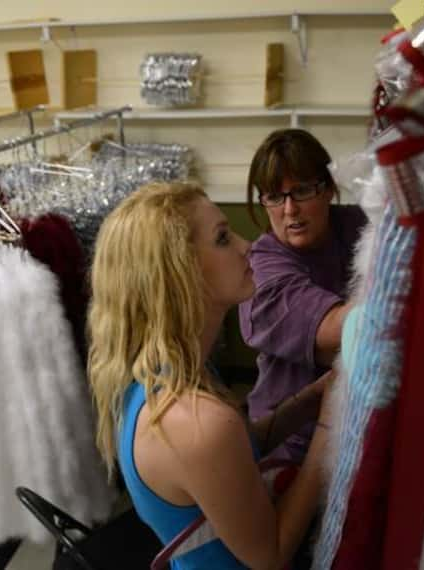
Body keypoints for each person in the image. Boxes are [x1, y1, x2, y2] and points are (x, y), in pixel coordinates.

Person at [87, 181, 335, 570]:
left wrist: (314, 398)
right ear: (177, 274)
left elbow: (240, 452)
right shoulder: (197, 422)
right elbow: (270, 554)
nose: (246, 245)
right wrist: (329, 430)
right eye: (223, 238)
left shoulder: (159, 375)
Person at [240, 129, 366, 463]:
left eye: (302, 191)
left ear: (328, 189)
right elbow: (342, 329)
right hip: (292, 443)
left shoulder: (355, 226)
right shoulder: (262, 273)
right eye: (274, 196)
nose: (290, 209)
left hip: (354, 425)